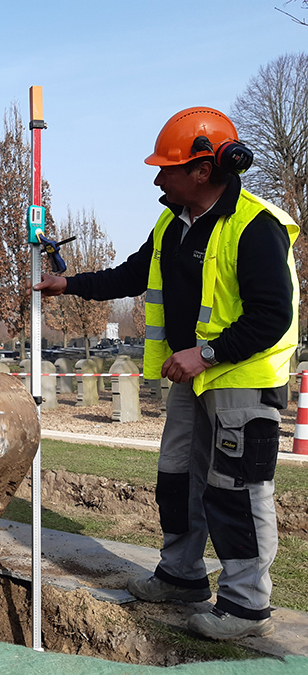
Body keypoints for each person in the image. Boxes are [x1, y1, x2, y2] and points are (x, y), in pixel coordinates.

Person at [33, 107, 299, 641]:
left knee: (237, 489)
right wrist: (71, 285)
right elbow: (136, 272)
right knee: (176, 480)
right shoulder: (172, 221)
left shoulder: (255, 226)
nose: (157, 178)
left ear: (203, 170)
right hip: (192, 379)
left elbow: (273, 314)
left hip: (237, 379)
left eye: (167, 168)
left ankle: (247, 606)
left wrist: (206, 354)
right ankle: (182, 575)